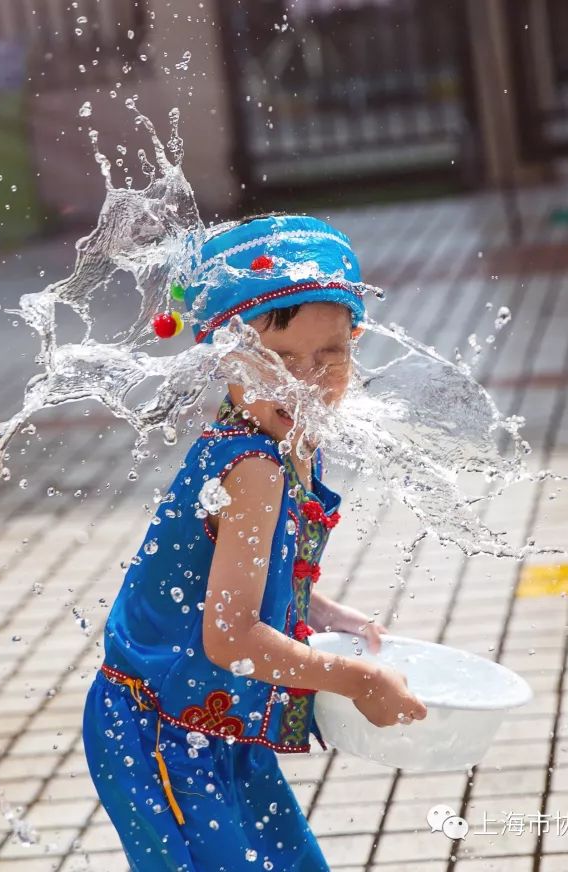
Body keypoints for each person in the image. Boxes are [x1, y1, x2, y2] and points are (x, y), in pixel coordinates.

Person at [81, 213, 426, 871]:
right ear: (226, 360)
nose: (307, 379)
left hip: (210, 725)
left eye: (332, 356)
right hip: (159, 729)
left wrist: (323, 613)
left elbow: (248, 572)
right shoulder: (255, 469)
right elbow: (231, 638)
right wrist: (358, 679)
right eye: (279, 360)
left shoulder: (289, 438)